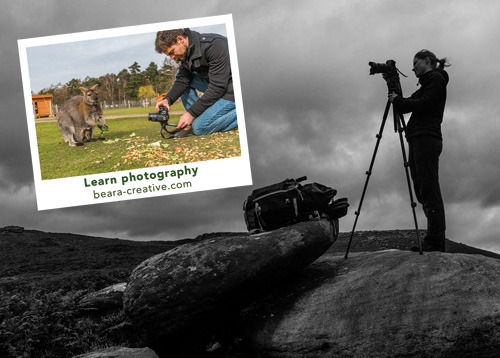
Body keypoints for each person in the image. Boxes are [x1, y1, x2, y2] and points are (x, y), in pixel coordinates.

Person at [388, 49, 450, 252]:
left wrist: (397, 98)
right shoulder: (427, 83)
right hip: (418, 137)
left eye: (416, 63)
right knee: (422, 187)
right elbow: (405, 106)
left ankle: (435, 240)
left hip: (426, 137)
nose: (413, 67)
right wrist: (393, 90)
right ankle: (433, 237)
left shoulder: (435, 79)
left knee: (429, 187)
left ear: (427, 61)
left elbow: (423, 103)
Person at [154, 28, 238, 137]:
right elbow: (182, 80)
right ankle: (198, 118)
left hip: (233, 91)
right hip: (218, 86)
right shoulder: (186, 53)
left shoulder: (214, 45)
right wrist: (167, 100)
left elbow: (217, 88)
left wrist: (191, 113)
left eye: (171, 52)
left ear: (180, 39)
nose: (172, 57)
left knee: (200, 128)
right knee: (181, 77)